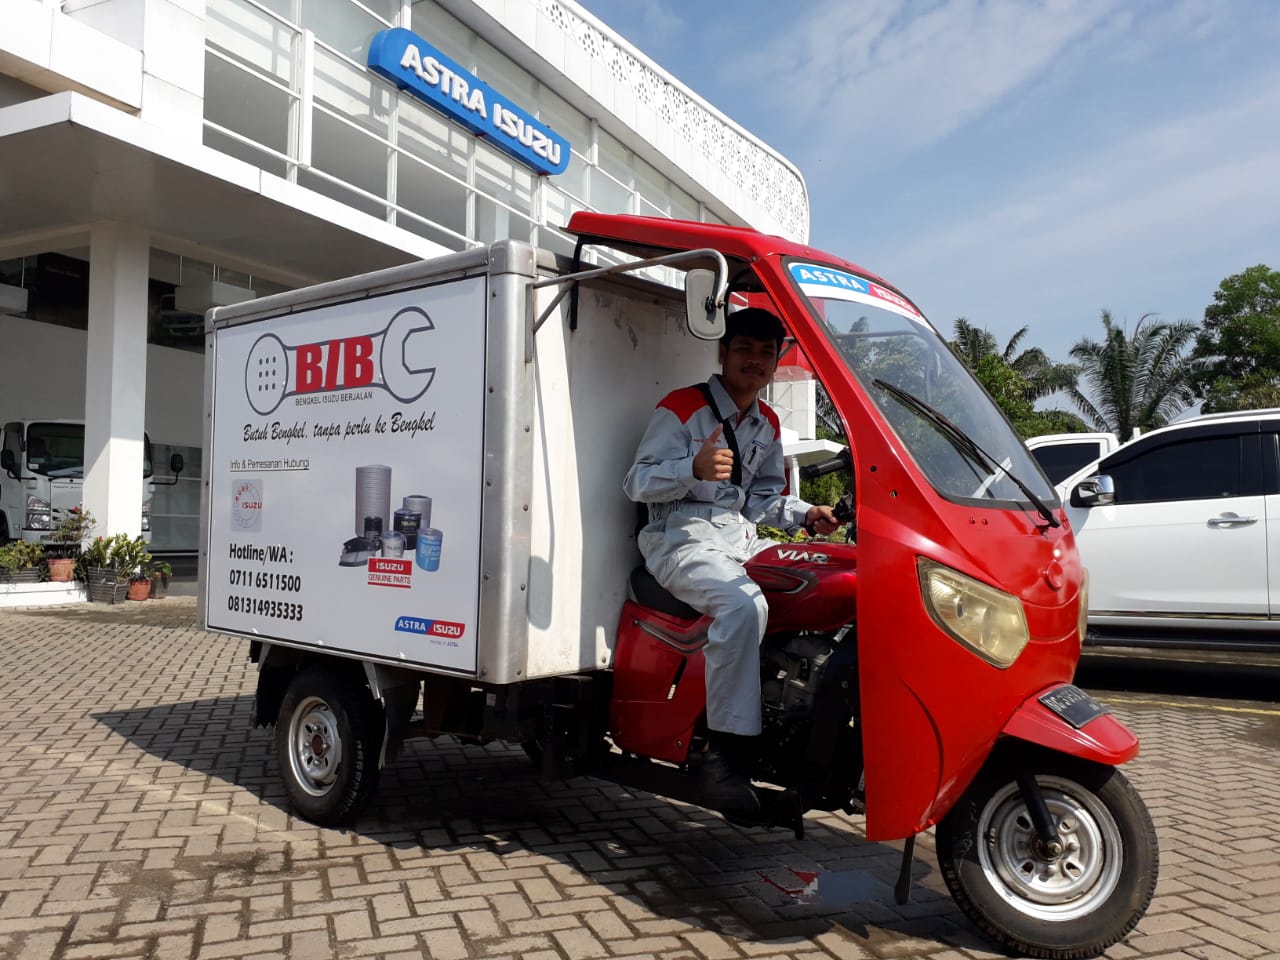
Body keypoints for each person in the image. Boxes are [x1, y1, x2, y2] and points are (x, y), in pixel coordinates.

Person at [623, 307, 838, 816]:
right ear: (723, 354)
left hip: (739, 538)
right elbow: (636, 482)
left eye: (766, 353)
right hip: (680, 538)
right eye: (745, 349)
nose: (755, 361)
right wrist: (690, 468)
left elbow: (762, 500)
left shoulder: (768, 422)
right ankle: (725, 756)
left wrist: (809, 514)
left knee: (823, 577)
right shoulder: (681, 407)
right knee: (744, 607)